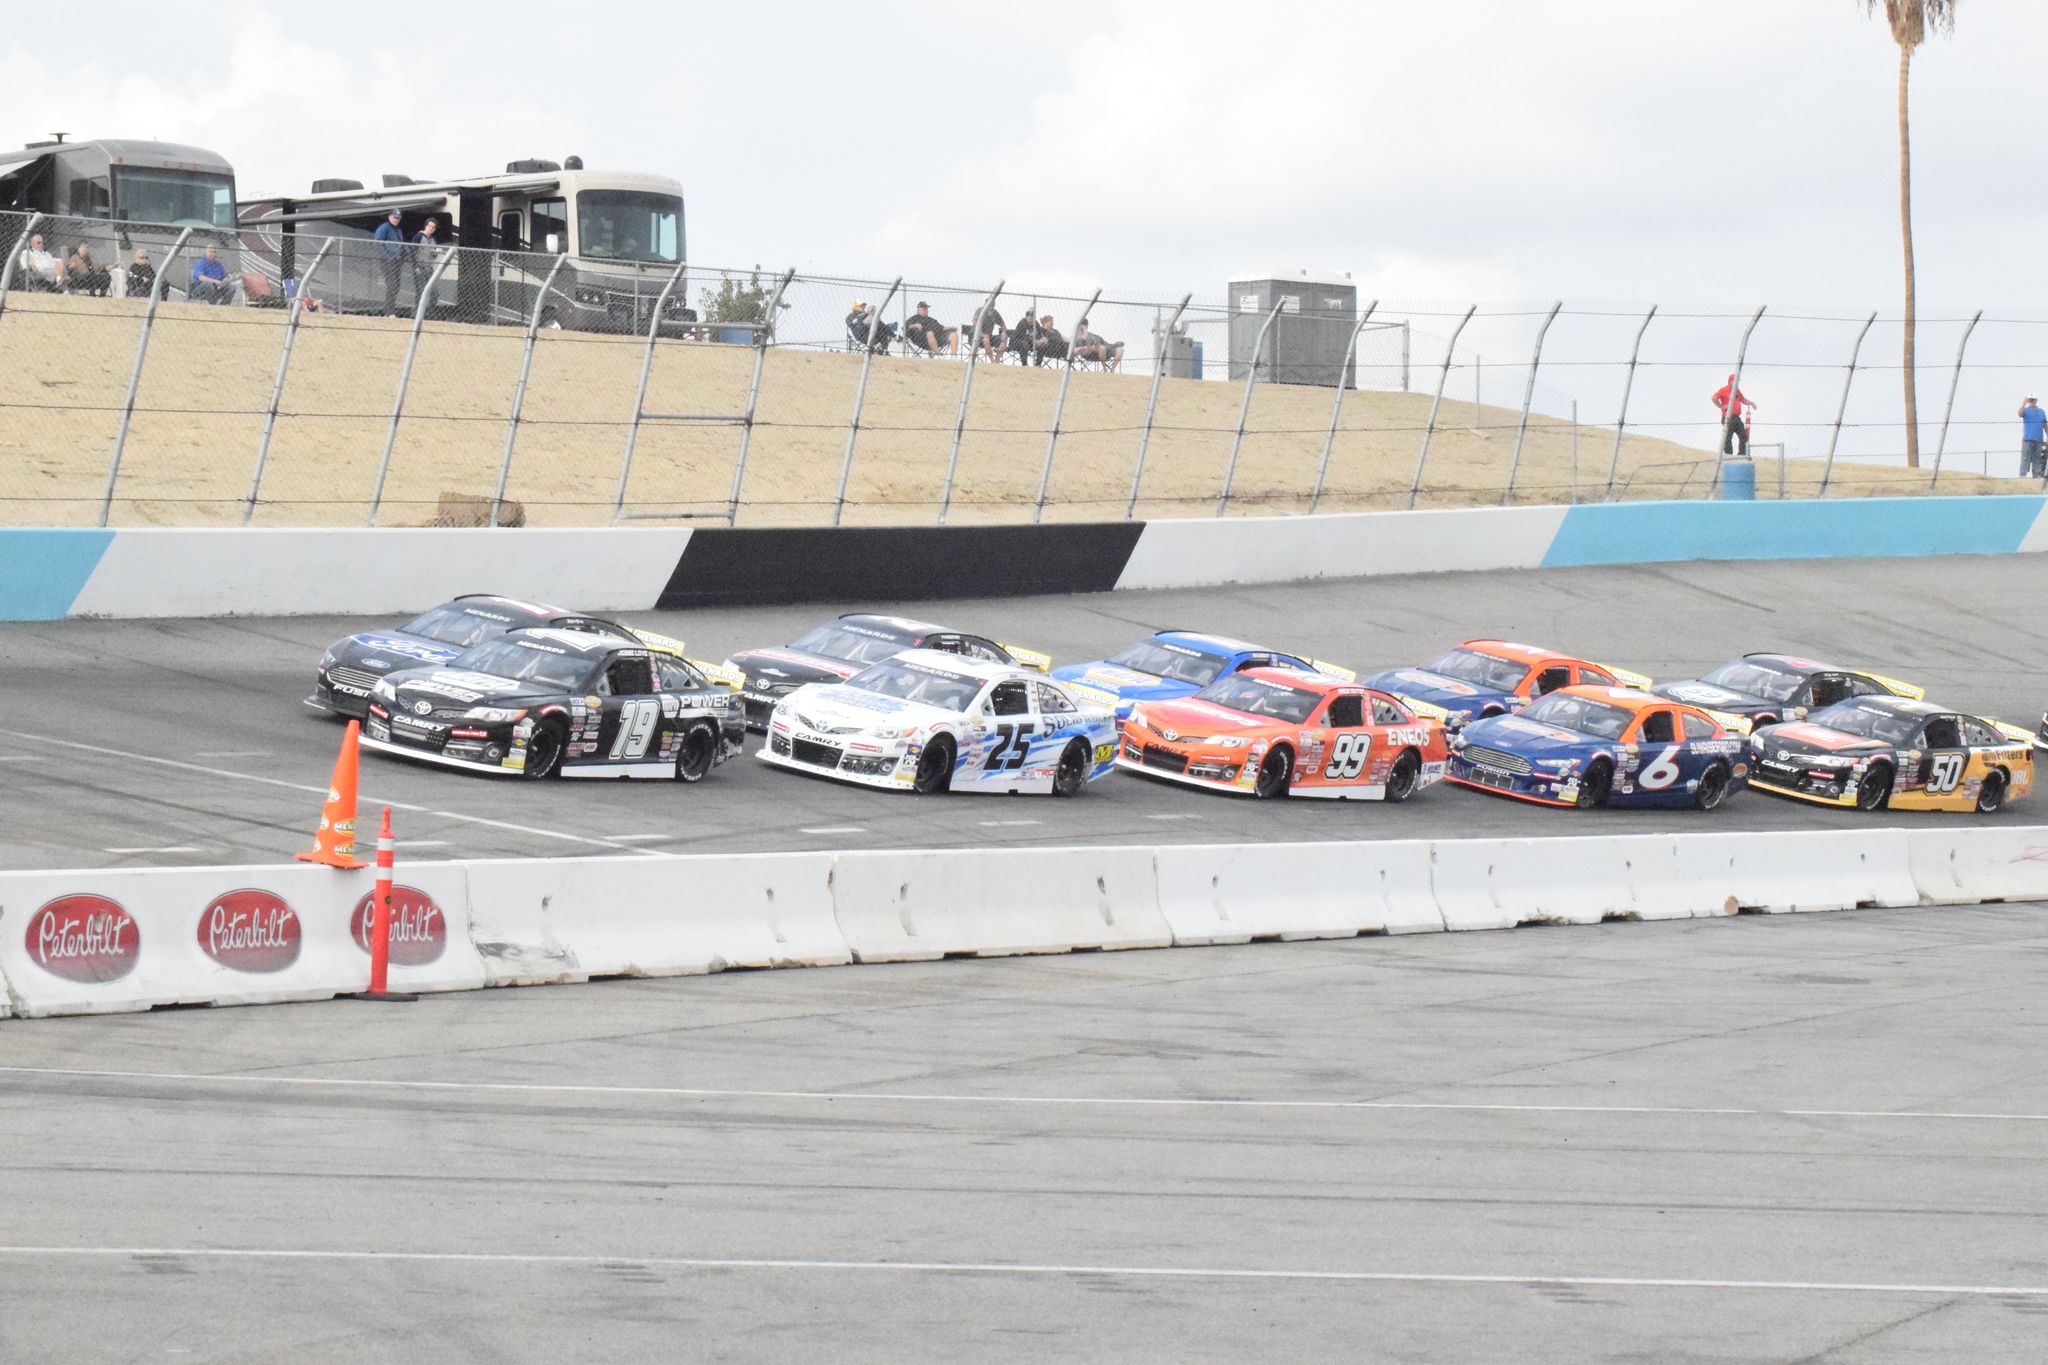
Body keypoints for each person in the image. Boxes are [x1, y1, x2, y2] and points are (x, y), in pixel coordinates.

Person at [1711, 374, 1754, 457]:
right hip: (1728, 418)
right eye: (1736, 380)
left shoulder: (1736, 391)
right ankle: (1728, 456)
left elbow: (1743, 400)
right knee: (1728, 438)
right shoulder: (1724, 389)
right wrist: (1721, 406)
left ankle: (1741, 455)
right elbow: (1714, 397)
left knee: (1744, 436)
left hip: (1736, 418)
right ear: (1731, 381)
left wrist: (1751, 403)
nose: (1737, 382)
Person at [374, 210, 405, 313]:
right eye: (395, 217)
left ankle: (390, 308)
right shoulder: (384, 227)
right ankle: (389, 311)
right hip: (387, 261)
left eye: (398, 218)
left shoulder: (399, 230)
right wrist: (387, 256)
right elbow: (378, 242)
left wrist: (403, 256)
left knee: (396, 286)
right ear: (389, 217)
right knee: (391, 285)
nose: (396, 220)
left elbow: (400, 246)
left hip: (397, 261)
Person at [410, 217, 441, 299]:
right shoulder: (418, 237)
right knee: (420, 292)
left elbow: (433, 256)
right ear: (425, 226)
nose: (431, 228)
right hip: (420, 268)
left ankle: (431, 311)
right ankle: (417, 311)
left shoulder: (433, 240)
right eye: (429, 226)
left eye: (433, 227)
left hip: (429, 268)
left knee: (435, 293)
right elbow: (412, 252)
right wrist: (415, 266)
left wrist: (436, 253)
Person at [2020, 397, 2047, 479]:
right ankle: (2023, 475)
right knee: (2025, 457)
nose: (2032, 401)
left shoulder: (2041, 412)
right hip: (2028, 438)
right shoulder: (2026, 410)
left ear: (2036, 400)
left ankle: (2037, 475)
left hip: (2038, 439)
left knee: (2037, 458)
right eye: (2030, 399)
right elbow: (2019, 414)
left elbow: (2045, 424)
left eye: (2033, 399)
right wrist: (2024, 403)